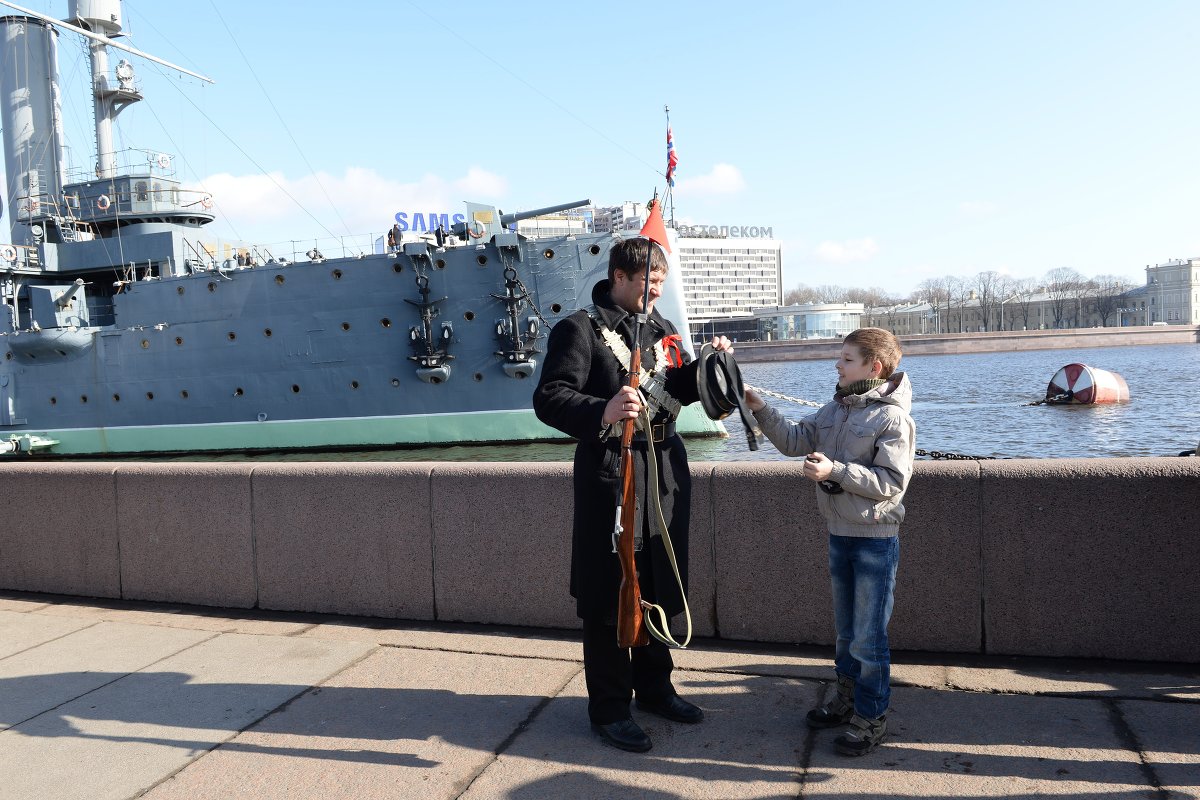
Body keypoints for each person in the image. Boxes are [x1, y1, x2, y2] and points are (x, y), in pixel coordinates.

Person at [533, 236, 732, 754]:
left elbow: (680, 390)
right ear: (619, 277)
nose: (656, 293)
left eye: (662, 284)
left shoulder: (663, 329)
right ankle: (609, 708)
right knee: (610, 593)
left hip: (665, 471)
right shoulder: (579, 329)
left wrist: (710, 364)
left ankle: (656, 689)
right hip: (610, 474)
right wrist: (601, 410)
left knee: (661, 584)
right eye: (649, 283)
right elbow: (550, 398)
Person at [744, 327, 915, 757]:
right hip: (839, 534)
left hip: (875, 541)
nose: (836, 365)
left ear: (872, 368)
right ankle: (846, 700)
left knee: (869, 638)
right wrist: (761, 409)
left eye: (846, 359)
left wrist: (835, 472)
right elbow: (793, 441)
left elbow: (892, 482)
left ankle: (871, 717)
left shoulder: (893, 418)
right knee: (845, 634)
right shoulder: (836, 408)